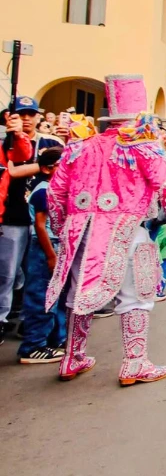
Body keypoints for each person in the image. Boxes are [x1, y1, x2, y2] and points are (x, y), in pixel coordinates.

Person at [46, 74, 166, 384]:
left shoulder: (80, 146)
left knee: (77, 294)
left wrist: (63, 231)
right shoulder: (144, 146)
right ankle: (135, 363)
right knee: (136, 296)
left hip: (81, 233)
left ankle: (72, 357)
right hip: (127, 230)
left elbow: (55, 193)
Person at [17, 148, 66, 363]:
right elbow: (40, 226)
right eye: (61, 164)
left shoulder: (57, 189)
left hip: (56, 245)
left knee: (56, 297)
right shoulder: (44, 190)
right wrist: (51, 255)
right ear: (47, 168)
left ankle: (55, 339)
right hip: (45, 247)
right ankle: (33, 345)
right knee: (41, 297)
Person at [0, 110, 33, 343]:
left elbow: (22, 153)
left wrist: (18, 134)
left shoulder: (6, 144)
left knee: (7, 274)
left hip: (10, 218)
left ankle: (2, 320)